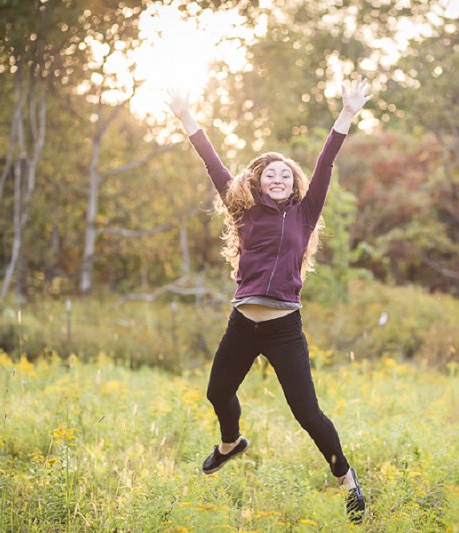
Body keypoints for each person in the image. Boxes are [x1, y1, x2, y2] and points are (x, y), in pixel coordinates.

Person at [166, 75, 372, 524]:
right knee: (218, 391)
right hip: (243, 323)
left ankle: (349, 481)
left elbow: (326, 161)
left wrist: (347, 113)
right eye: (269, 174)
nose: (277, 178)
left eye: (284, 174)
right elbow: (212, 163)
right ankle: (230, 443)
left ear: (293, 184)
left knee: (307, 413)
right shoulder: (243, 211)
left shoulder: (306, 212)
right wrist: (186, 116)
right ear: (258, 183)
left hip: (283, 329)